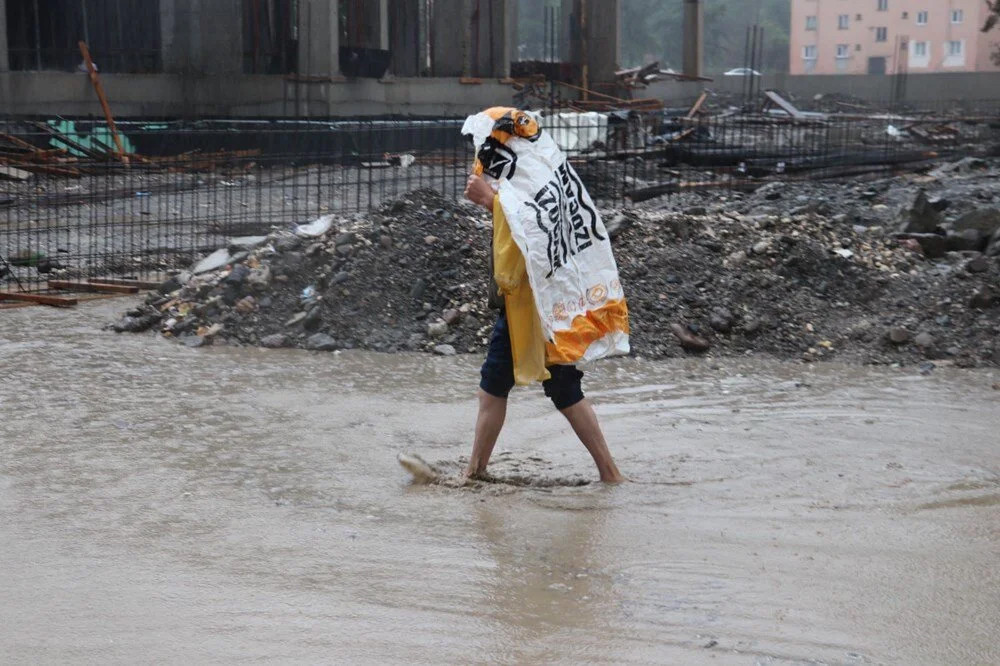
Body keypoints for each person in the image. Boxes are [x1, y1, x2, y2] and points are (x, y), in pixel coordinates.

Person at [463, 173, 624, 484]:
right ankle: (609, 474)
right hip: (535, 300)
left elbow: (537, 228)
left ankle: (474, 474)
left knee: (496, 386)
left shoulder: (530, 167)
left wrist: (490, 200)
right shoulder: (537, 164)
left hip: (529, 304)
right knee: (558, 386)